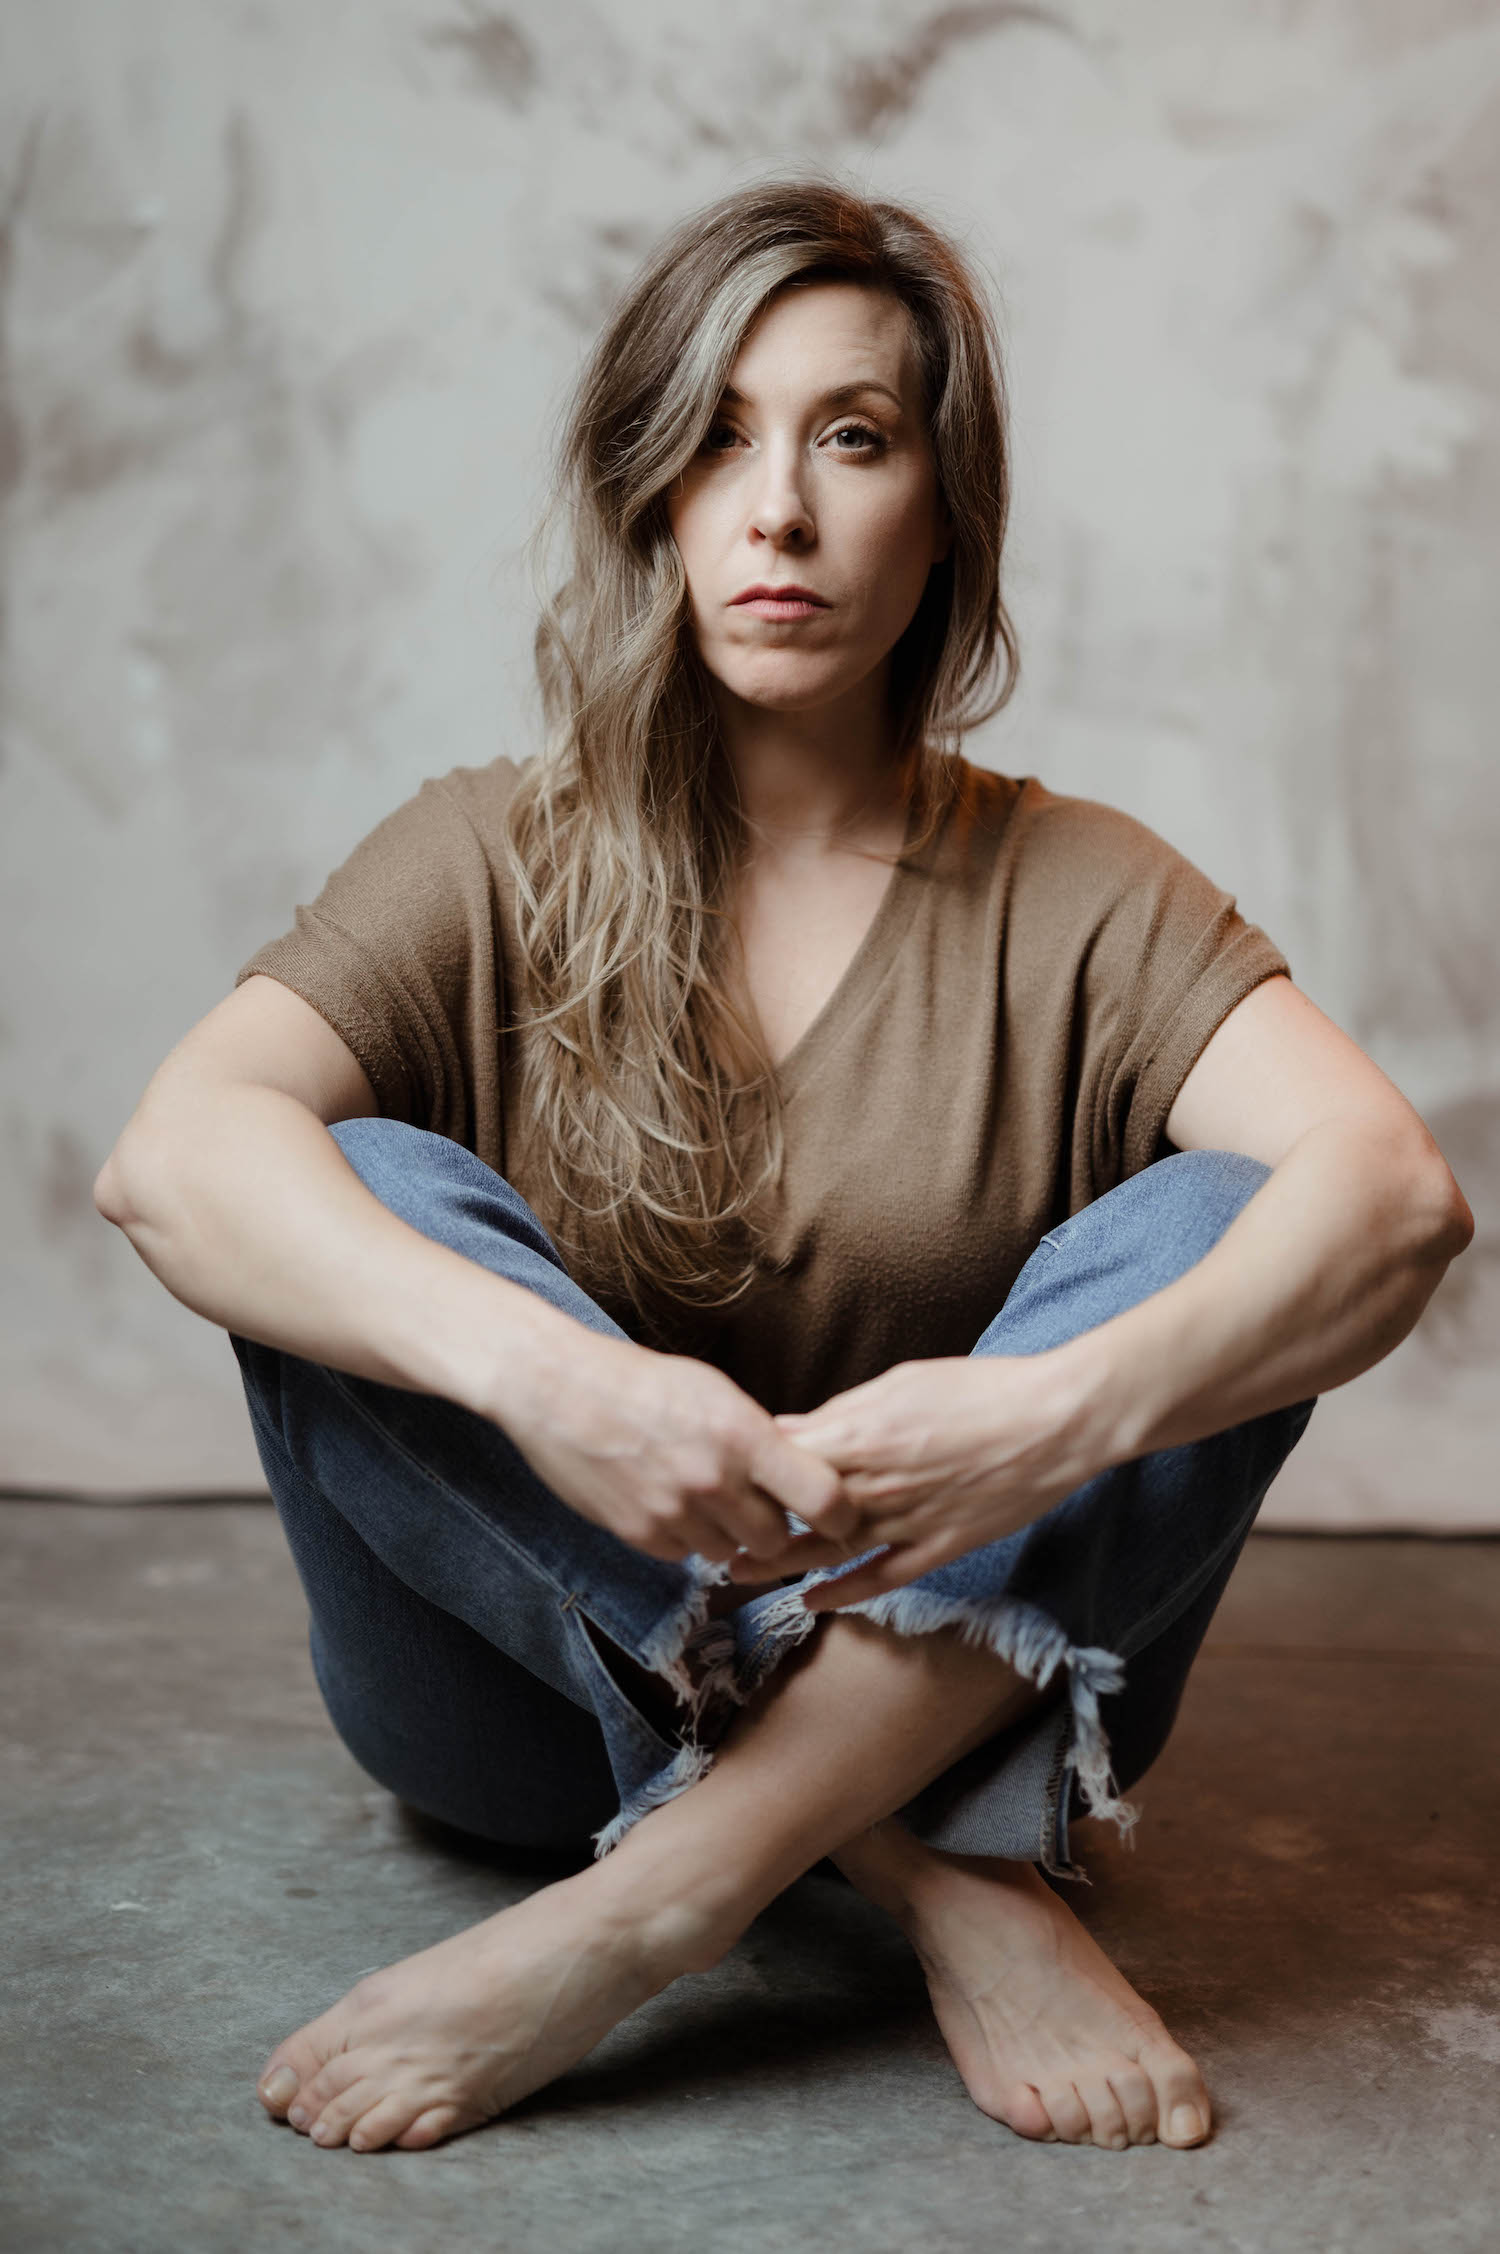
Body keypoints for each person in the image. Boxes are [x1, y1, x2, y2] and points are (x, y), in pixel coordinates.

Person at [94, 173, 1473, 2161]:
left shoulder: (1081, 888)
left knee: (1243, 1223)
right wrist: (557, 1384)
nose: (779, 512)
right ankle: (921, 1858)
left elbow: (1398, 1202)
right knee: (346, 1183)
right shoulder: (490, 848)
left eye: (853, 436)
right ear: (650, 492)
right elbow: (171, 1159)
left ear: (946, 505)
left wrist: (1047, 1417)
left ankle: (651, 1906)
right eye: (720, 437)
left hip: (971, 1665)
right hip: (509, 1716)